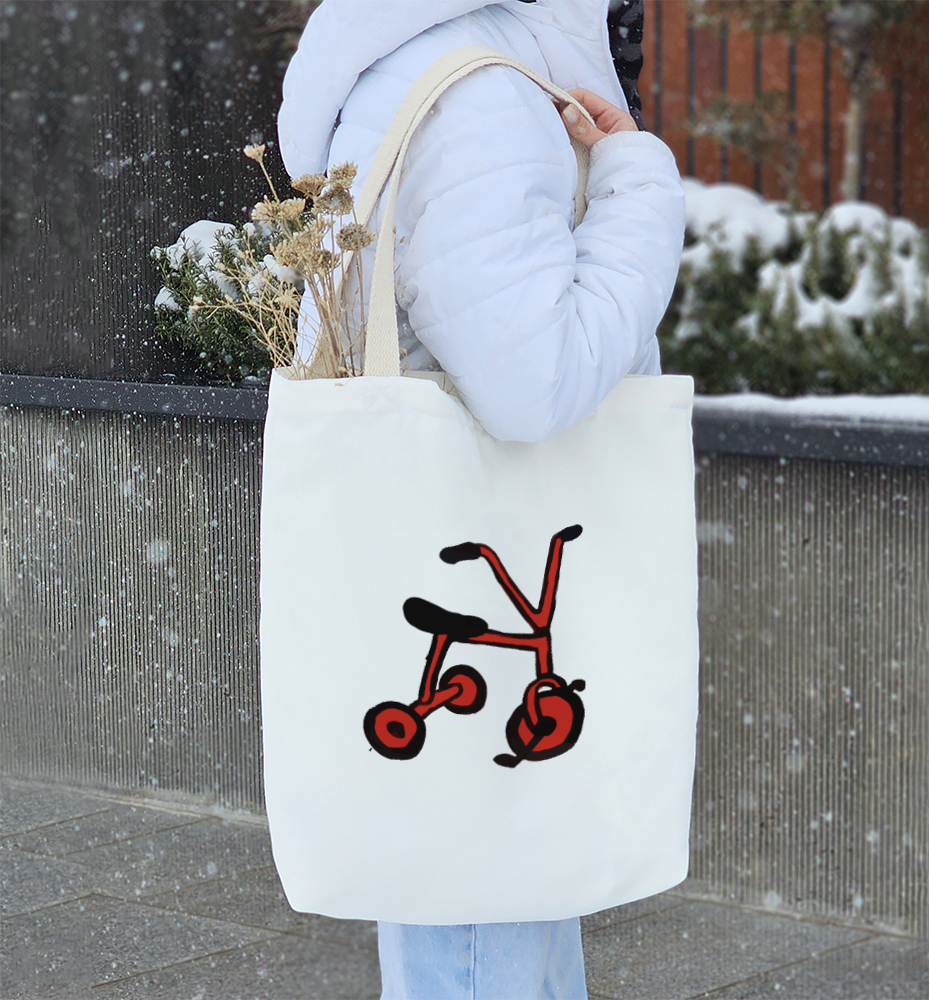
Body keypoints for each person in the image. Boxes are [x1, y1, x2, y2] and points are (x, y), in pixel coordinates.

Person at [278, 1, 685, 996]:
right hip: (493, 523)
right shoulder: (479, 95)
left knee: (491, 885)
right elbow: (532, 384)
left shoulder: (435, 60)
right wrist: (637, 185)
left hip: (446, 537)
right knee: (482, 909)